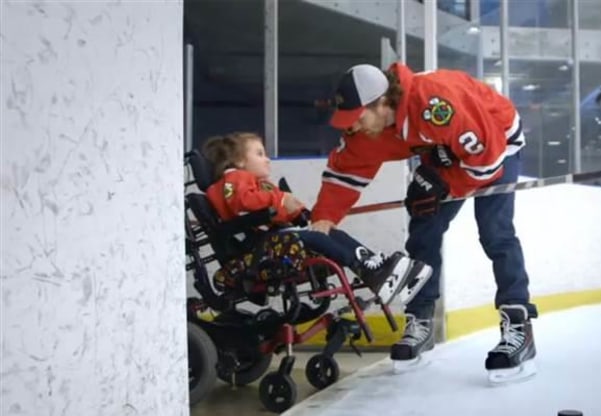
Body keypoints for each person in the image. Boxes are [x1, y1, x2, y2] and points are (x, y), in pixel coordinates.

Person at [309, 63, 538, 382]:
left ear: (382, 103)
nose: (355, 127)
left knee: (495, 231)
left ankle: (518, 323)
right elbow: (345, 173)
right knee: (423, 231)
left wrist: (444, 186)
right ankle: (420, 320)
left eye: (359, 117)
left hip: (497, 141)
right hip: (443, 149)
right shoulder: (367, 129)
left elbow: (487, 163)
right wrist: (323, 220)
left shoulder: (435, 104)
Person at [201, 131, 432, 307]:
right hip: (258, 247)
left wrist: (296, 211)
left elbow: (269, 206)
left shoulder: (256, 183)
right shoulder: (234, 179)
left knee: (328, 231)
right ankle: (367, 270)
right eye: (260, 154)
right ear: (239, 161)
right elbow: (243, 205)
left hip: (273, 238)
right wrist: (281, 202)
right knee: (317, 237)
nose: (267, 159)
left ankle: (371, 264)